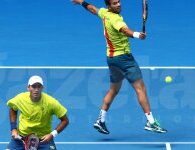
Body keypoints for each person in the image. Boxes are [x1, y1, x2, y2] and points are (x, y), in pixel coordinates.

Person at [71, 0, 166, 134]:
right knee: (141, 89)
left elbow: (92, 9)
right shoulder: (115, 19)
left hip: (111, 59)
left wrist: (81, 2)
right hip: (124, 59)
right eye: (115, 3)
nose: (119, 4)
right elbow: (124, 30)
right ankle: (151, 122)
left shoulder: (104, 13)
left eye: (119, 1)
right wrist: (138, 35)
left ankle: (101, 120)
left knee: (113, 89)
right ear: (109, 6)